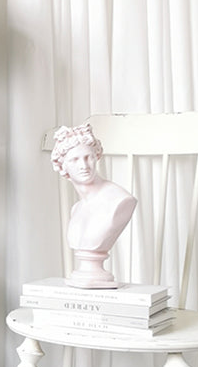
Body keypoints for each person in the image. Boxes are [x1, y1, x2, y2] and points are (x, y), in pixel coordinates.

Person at [51, 123, 137, 287]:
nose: (84, 166)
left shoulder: (119, 200)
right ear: (63, 166)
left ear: (96, 156)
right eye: (74, 159)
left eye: (88, 157)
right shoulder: (76, 209)